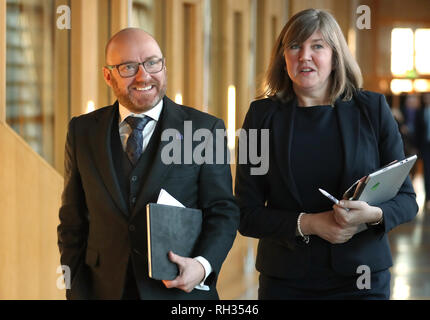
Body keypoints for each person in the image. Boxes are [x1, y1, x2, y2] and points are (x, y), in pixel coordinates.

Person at [235, 9, 418, 299]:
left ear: (336, 56)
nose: (304, 55)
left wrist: (372, 215)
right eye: (294, 46)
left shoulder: (372, 109)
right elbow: (246, 213)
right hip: (286, 282)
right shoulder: (261, 117)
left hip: (362, 279)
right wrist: (309, 223)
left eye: (317, 46)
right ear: (284, 57)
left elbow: (407, 201)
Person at [57, 28, 239, 300]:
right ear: (108, 75)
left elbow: (223, 211)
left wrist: (202, 266)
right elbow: (72, 223)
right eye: (129, 67)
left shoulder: (204, 129)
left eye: (153, 62)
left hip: (180, 295)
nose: (144, 76)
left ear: (164, 66)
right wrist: (76, 292)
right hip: (103, 291)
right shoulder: (82, 132)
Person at [415, 92, 430, 208]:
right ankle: (428, 197)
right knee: (427, 171)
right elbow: (418, 131)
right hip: (425, 145)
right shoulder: (420, 112)